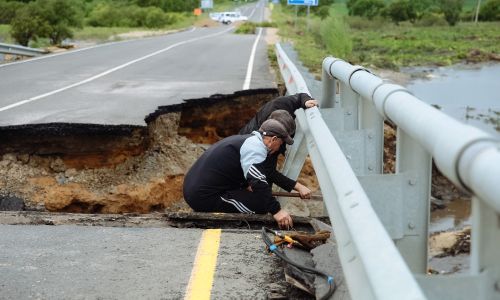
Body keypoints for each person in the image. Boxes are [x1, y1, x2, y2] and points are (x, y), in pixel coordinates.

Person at [183, 119, 295, 229]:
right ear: (273, 139)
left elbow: (234, 171)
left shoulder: (247, 141)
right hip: (202, 197)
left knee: (262, 197)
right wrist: (277, 211)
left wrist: (247, 186)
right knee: (261, 205)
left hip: (197, 190)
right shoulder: (256, 148)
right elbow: (258, 180)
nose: (279, 148)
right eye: (280, 144)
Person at [239, 93, 318, 198]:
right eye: (282, 141)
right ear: (274, 138)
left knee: (263, 187)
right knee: (254, 187)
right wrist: (298, 186)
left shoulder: (281, 105)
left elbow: (299, 97)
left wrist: (306, 101)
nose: (283, 145)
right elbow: (269, 172)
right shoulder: (256, 146)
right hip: (246, 154)